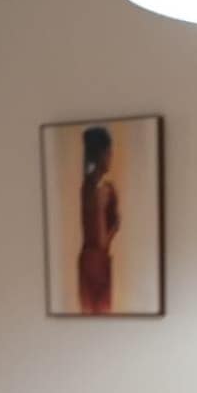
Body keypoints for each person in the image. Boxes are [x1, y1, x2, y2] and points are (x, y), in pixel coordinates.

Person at [78, 125, 120, 314]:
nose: (111, 157)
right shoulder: (100, 191)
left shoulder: (87, 187)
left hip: (87, 261)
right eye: (109, 152)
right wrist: (115, 225)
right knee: (101, 313)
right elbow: (101, 241)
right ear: (101, 154)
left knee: (90, 314)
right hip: (97, 261)